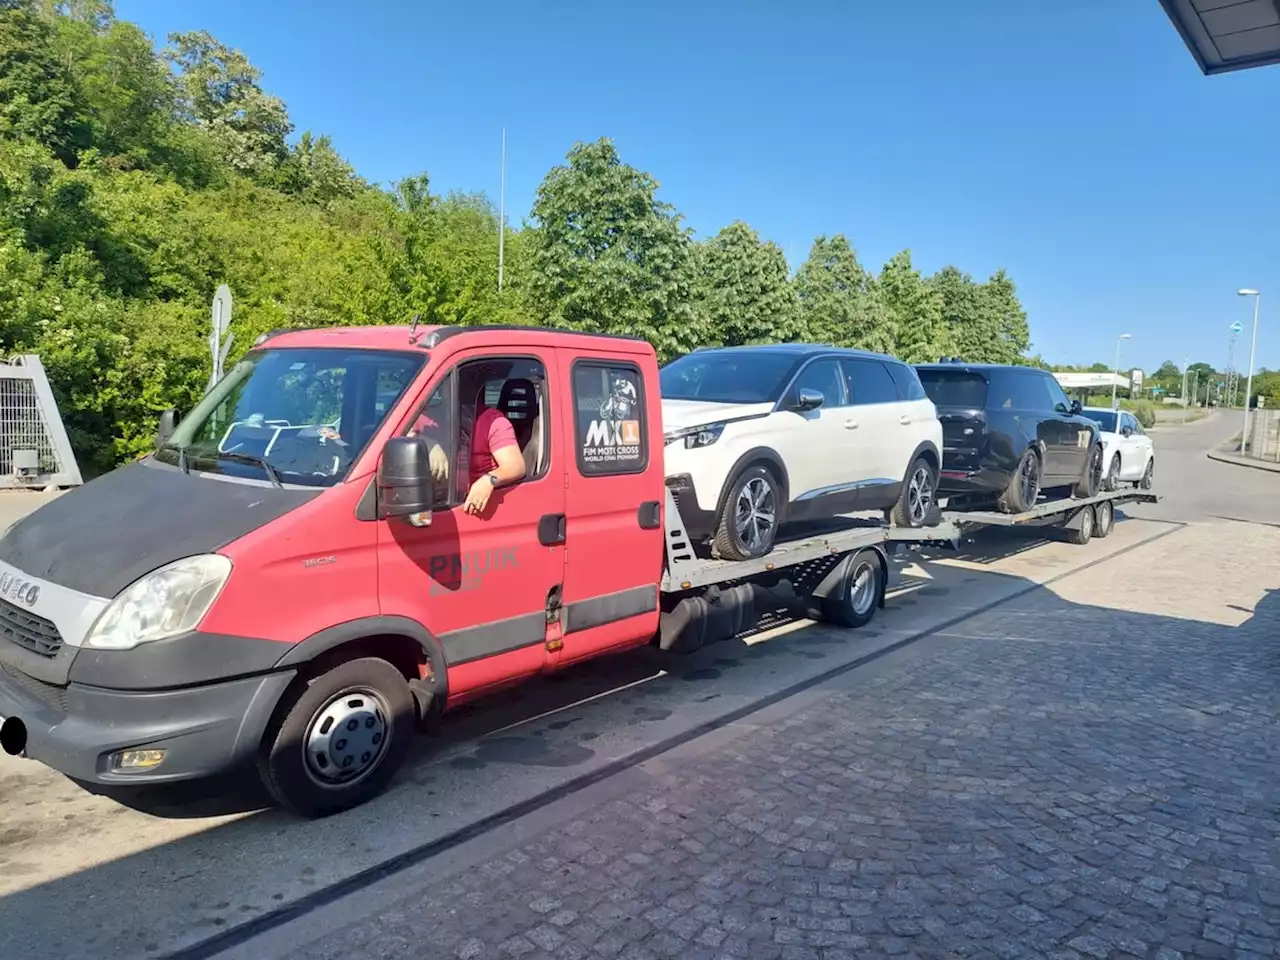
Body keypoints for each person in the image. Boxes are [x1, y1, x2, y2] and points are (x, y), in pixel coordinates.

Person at [408, 384, 525, 515]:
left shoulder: (493, 421)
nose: (456, 390)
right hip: (434, 504)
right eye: (448, 386)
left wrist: (489, 481)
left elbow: (516, 466)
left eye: (465, 384)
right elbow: (397, 438)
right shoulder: (429, 417)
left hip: (473, 507)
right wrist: (428, 442)